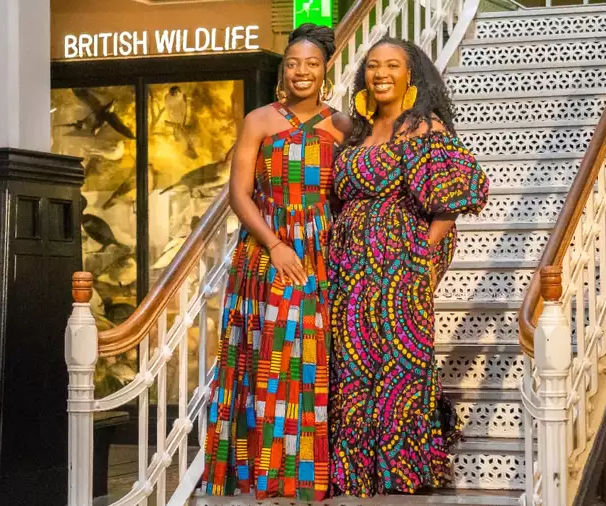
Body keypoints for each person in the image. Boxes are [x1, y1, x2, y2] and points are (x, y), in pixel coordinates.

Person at [327, 37, 489, 497]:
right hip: (351, 267)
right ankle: (358, 472)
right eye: (373, 66)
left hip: (400, 263)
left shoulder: (423, 126)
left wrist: (422, 252)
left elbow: (453, 196)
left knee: (400, 363)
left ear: (410, 74)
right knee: (354, 365)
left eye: (392, 66)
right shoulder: (357, 131)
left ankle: (403, 471)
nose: (381, 74)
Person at [202, 23, 351, 501]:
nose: (301, 71)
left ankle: (308, 478)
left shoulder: (343, 126)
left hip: (323, 251)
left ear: (325, 69)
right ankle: (264, 475)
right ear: (283, 70)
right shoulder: (260, 120)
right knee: (272, 355)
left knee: (314, 358)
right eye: (293, 63)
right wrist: (274, 244)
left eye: (311, 63)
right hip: (269, 251)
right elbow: (238, 194)